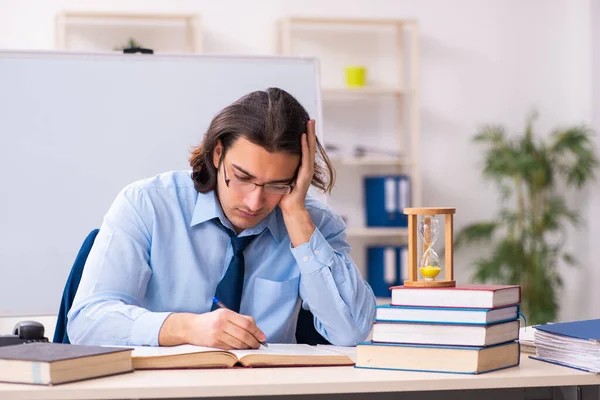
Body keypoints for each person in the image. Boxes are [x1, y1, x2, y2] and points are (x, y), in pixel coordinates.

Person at [67, 87, 376, 349]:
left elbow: (352, 332)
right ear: (217, 155)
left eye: (276, 184)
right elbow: (87, 321)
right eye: (242, 177)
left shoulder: (314, 225)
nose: (254, 202)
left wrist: (296, 216)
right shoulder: (147, 205)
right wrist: (183, 328)